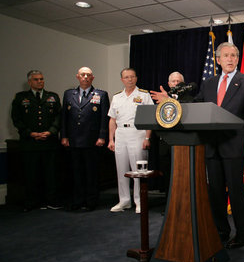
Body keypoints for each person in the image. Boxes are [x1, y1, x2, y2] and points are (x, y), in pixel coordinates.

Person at [195, 42, 244, 249]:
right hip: (211, 144)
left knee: (235, 190)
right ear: (218, 60)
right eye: (226, 55)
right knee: (215, 191)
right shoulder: (208, 83)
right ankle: (221, 231)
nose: (230, 59)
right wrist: (173, 100)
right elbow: (197, 104)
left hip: (233, 143)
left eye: (234, 55)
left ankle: (243, 234)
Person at [11, 70, 61, 211]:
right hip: (30, 144)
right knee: (31, 174)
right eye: (36, 79)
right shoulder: (21, 98)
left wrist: (50, 132)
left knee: (50, 174)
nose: (40, 81)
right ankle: (32, 202)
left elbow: (59, 117)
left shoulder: (52, 97)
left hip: (49, 143)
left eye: (42, 79)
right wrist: (30, 133)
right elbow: (17, 119)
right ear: (30, 82)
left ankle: (51, 201)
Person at [61, 67, 110, 211]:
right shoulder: (69, 94)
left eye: (88, 75)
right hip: (74, 141)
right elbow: (64, 116)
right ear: (77, 77)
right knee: (76, 172)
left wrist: (102, 136)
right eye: (83, 75)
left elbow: (104, 118)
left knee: (91, 172)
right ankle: (78, 200)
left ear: (92, 78)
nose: (85, 77)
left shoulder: (100, 94)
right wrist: (64, 136)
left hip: (92, 140)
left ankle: (91, 201)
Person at [107, 68, 153, 214]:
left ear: (136, 78)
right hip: (120, 134)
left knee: (138, 170)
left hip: (137, 132)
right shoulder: (117, 97)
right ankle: (124, 200)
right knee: (122, 169)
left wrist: (147, 137)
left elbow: (150, 117)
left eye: (132, 77)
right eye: (126, 77)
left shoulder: (144, 95)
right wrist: (111, 139)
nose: (129, 79)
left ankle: (139, 201)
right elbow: (112, 120)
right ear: (122, 80)